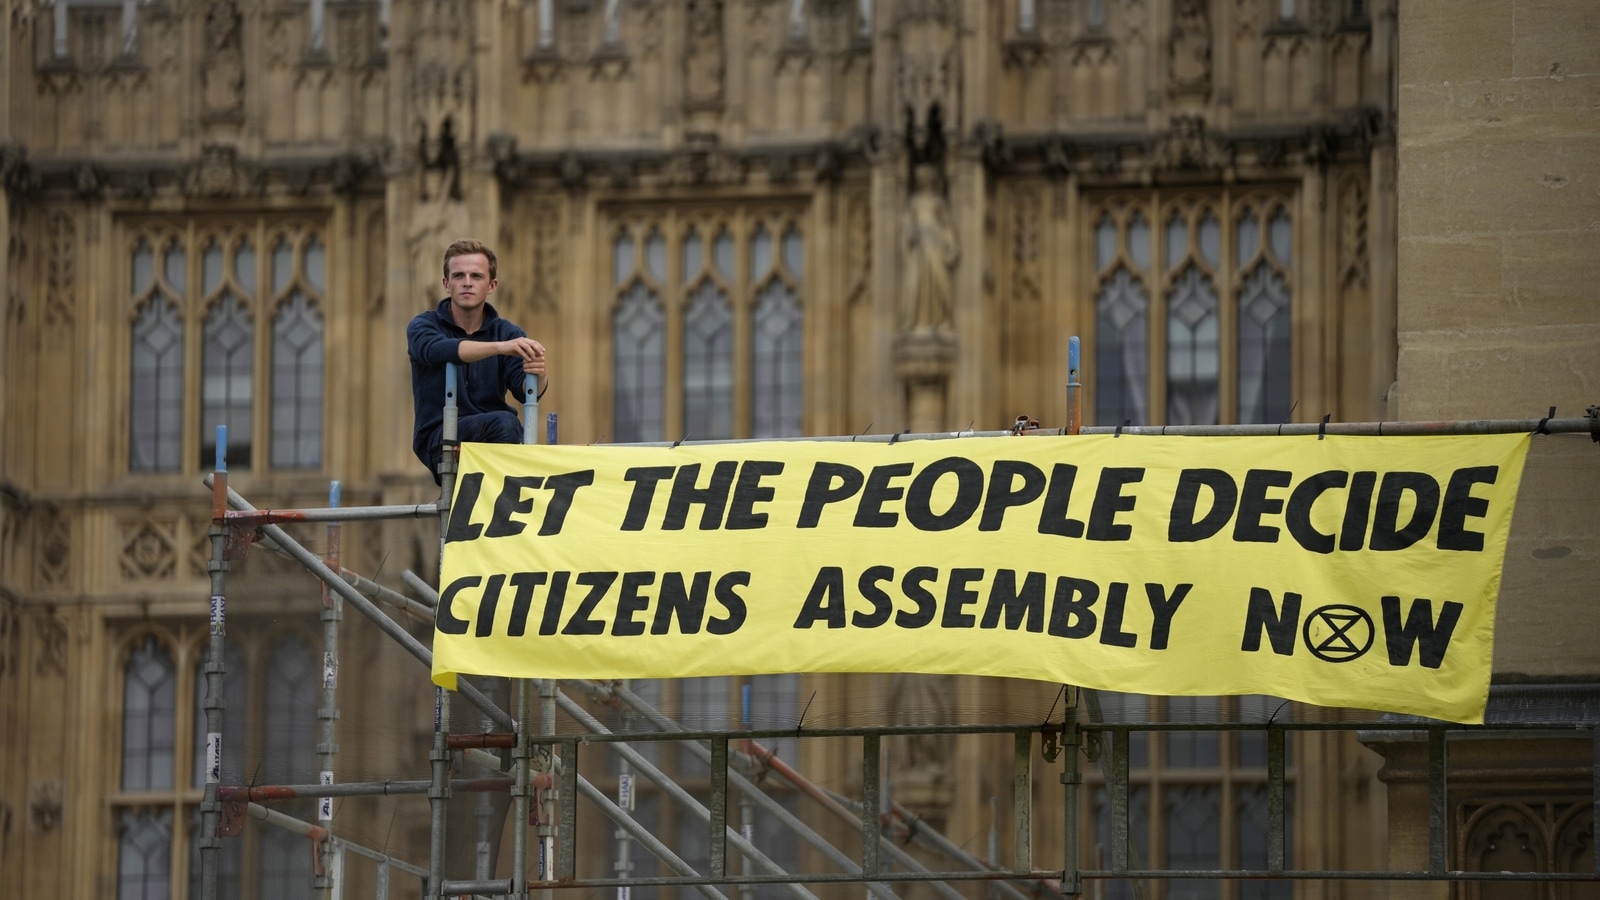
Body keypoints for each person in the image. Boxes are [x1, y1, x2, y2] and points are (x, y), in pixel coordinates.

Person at [408, 239, 548, 483]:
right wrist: (499, 348)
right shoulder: (423, 325)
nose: (467, 283)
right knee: (506, 424)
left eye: (476, 276)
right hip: (441, 438)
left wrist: (539, 373)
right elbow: (438, 350)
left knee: (512, 431)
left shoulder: (509, 333)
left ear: (492, 285)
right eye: (459, 275)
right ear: (446, 284)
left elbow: (527, 391)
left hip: (496, 437)